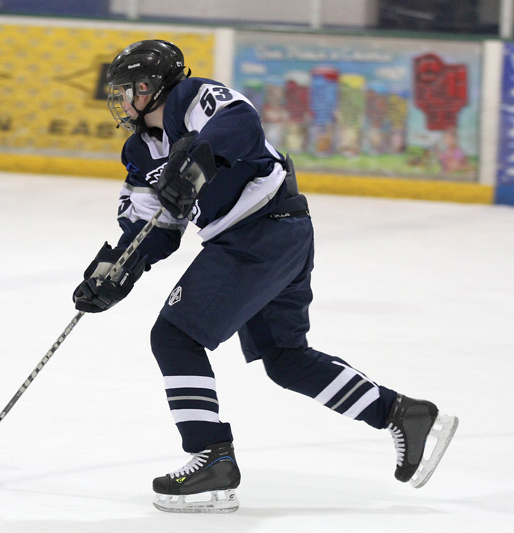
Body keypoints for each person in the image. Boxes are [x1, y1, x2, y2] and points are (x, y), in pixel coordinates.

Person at [72, 40, 459, 514]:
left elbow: (241, 122)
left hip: (258, 235)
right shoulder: (139, 152)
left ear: (151, 87)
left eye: (127, 88)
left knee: (173, 337)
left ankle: (212, 456)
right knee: (285, 358)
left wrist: (197, 162)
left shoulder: (191, 98)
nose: (120, 99)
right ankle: (404, 414)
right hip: (275, 234)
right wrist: (117, 269)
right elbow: (154, 228)